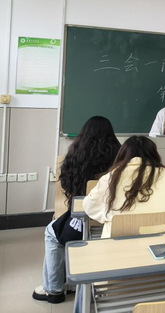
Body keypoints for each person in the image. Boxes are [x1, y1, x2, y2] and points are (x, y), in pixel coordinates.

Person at [33, 116, 121, 304]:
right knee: (61, 228)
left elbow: (68, 188)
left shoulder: (77, 157)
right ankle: (71, 280)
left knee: (51, 232)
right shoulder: (120, 158)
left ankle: (53, 289)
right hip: (113, 220)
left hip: (84, 220)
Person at [83, 135, 165, 238]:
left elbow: (90, 207)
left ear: (122, 155)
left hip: (119, 246)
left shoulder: (110, 179)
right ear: (155, 155)